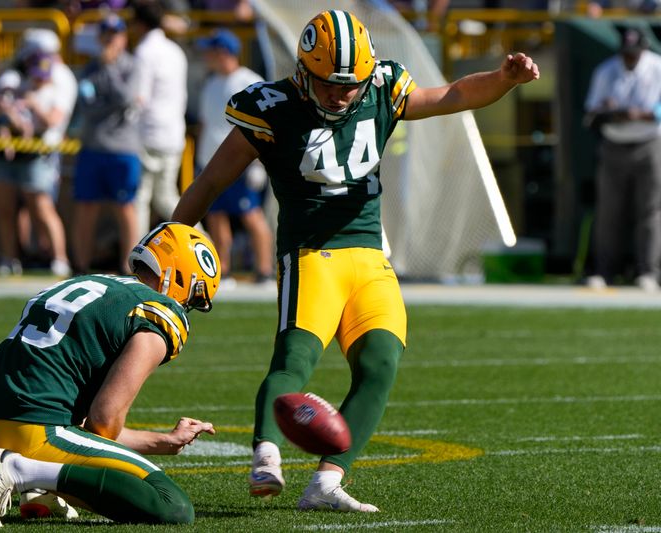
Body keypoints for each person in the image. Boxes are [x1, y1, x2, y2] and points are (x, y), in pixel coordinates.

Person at [172, 9, 540, 512]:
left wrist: (503, 80)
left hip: (369, 255)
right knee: (296, 359)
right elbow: (211, 181)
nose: (341, 95)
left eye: (351, 85)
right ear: (303, 72)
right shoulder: (273, 107)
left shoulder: (382, 87)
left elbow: (452, 96)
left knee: (381, 363)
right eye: (329, 84)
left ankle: (327, 482)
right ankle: (265, 455)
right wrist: (172, 235)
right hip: (310, 254)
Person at [0, 221, 221, 526]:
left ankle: (39, 484)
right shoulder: (160, 311)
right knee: (172, 506)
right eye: (193, 298)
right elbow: (103, 421)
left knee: (73, 442)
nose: (186, 306)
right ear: (181, 277)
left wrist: (164, 442)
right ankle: (20, 471)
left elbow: (83, 424)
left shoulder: (86, 283)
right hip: (33, 431)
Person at [583, 27, 661, 292]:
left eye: (635, 54)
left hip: (650, 144)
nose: (630, 59)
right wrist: (611, 113)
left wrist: (643, 114)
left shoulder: (657, 68)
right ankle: (604, 272)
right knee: (609, 211)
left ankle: (648, 272)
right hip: (613, 144)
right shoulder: (606, 71)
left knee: (650, 210)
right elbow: (591, 113)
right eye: (626, 54)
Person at [195, 28, 274, 287]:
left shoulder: (249, 81)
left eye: (210, 51)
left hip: (241, 163)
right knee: (216, 216)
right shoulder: (211, 83)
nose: (206, 56)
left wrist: (260, 164)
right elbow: (208, 124)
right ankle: (223, 269)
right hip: (212, 162)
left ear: (222, 52)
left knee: (250, 215)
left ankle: (264, 269)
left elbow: (265, 125)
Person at [0, 54, 72, 277]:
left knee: (42, 208)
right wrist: (6, 111)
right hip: (11, 155)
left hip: (38, 155)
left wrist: (34, 106)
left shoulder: (54, 93)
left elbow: (52, 122)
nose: (39, 81)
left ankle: (59, 258)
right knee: (4, 207)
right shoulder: (19, 87)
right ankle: (9, 258)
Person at [72, 14, 142, 275]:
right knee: (86, 206)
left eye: (116, 35)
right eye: (106, 35)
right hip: (93, 147)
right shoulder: (90, 68)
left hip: (123, 149)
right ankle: (79, 265)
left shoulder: (132, 65)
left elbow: (125, 98)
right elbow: (87, 108)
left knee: (125, 207)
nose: (110, 41)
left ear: (123, 38)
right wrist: (110, 106)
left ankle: (129, 266)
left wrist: (110, 69)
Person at [131, 0, 188, 238]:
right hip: (173, 134)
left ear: (140, 24)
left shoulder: (144, 52)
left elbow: (138, 99)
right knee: (166, 198)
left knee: (140, 198)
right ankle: (205, 246)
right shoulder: (176, 51)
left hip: (148, 135)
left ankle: (133, 260)